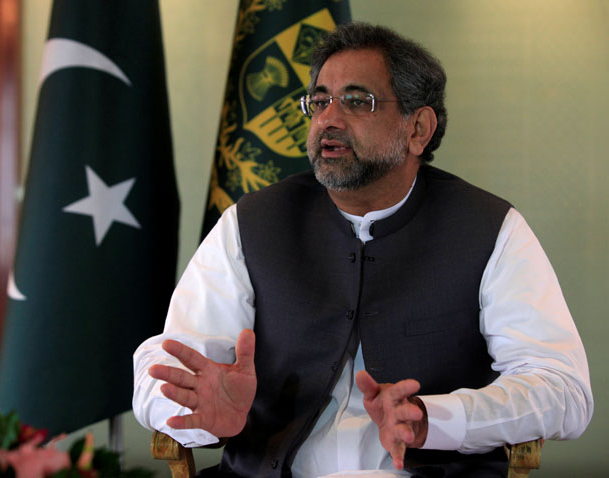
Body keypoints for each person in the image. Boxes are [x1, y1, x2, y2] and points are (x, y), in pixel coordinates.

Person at [133, 23, 593, 478]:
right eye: (318, 101)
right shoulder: (250, 223)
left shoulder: (491, 229)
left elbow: (562, 389)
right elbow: (163, 367)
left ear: (419, 129)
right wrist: (200, 413)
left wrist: (438, 418)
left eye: (357, 101)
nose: (328, 119)